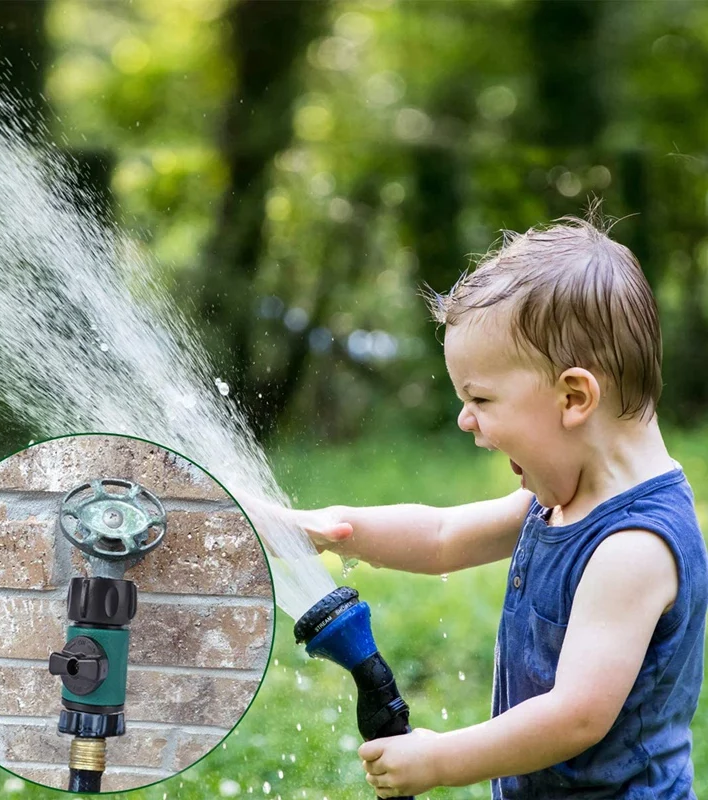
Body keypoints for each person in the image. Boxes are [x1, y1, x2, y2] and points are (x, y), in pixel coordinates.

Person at [296, 213, 708, 798]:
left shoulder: (633, 548)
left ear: (574, 397)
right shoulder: (558, 502)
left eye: (481, 399)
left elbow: (575, 716)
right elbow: (441, 537)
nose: (465, 420)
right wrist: (326, 528)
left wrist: (439, 760)